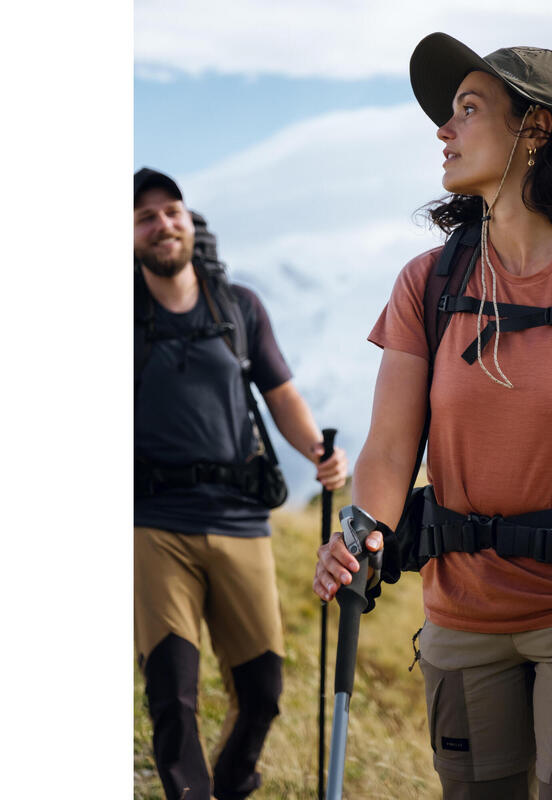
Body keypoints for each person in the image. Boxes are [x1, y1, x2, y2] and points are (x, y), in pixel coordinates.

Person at [314, 33, 552, 800]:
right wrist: (360, 530)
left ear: (535, 130)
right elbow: (390, 448)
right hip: (462, 621)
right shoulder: (429, 280)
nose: (443, 128)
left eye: (468, 110)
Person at [134, 167, 347, 800]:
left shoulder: (239, 307)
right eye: (144, 218)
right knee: (171, 690)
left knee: (263, 690)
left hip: (240, 520)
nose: (161, 224)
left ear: (188, 221)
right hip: (152, 520)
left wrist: (317, 451)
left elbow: (280, 394)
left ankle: (230, 783)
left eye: (170, 211)